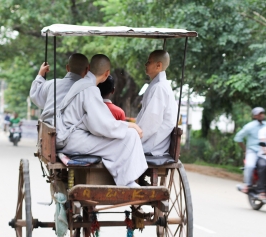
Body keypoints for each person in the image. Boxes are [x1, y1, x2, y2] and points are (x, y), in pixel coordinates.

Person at [56, 54, 147, 187]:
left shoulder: (81, 84)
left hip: (71, 136)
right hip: (74, 140)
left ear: (88, 69)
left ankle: (124, 176)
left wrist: (124, 126)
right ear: (107, 73)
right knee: (130, 136)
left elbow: (94, 121)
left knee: (124, 135)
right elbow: (102, 125)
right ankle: (127, 181)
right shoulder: (90, 89)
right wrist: (129, 125)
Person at [135, 50, 177, 156]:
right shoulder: (158, 85)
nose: (145, 64)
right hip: (153, 140)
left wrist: (134, 136)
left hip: (153, 145)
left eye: (149, 62)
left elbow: (151, 123)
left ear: (158, 65)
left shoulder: (159, 87)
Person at [29, 53, 89, 125]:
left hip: (46, 131)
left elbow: (35, 95)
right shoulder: (88, 90)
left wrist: (40, 74)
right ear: (87, 70)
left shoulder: (52, 84)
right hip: (69, 133)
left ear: (67, 68)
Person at [234, 107, 266, 193]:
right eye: (258, 114)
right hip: (253, 151)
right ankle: (247, 184)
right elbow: (238, 138)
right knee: (250, 166)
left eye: (262, 113)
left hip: (265, 151)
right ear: (254, 116)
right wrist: (245, 149)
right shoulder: (249, 126)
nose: (261, 115)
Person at [256, 121, 266, 201]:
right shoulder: (263, 131)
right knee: (264, 166)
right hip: (264, 157)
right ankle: (262, 191)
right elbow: (262, 143)